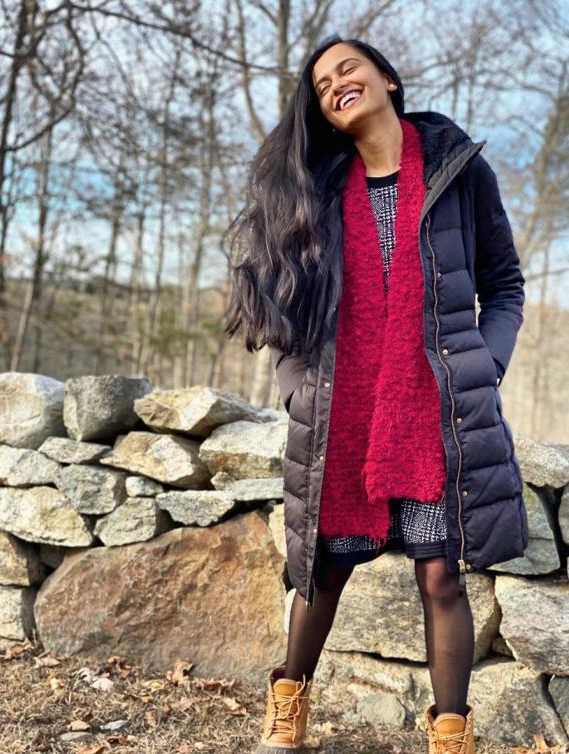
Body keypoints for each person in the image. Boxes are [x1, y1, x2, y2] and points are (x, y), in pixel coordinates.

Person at [225, 33, 527, 754]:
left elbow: (505, 286)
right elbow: (284, 312)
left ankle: (450, 736)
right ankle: (287, 711)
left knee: (441, 577)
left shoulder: (458, 172)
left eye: (347, 69)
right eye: (322, 85)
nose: (335, 85)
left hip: (433, 411)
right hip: (344, 411)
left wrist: (484, 364)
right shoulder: (318, 193)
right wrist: (296, 391)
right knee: (324, 571)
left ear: (387, 79)